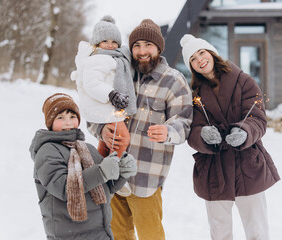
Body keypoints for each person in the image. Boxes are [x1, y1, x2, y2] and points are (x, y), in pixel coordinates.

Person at [87, 19, 193, 239]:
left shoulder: (174, 81)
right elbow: (94, 106)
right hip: (113, 170)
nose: (142, 51)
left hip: (146, 176)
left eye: (148, 45)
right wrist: (100, 129)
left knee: (150, 234)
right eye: (136, 45)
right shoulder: (119, 71)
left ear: (158, 48)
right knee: (118, 233)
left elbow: (184, 122)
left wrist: (168, 132)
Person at [180, 34, 280, 240]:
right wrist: (203, 135)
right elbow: (192, 130)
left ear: (212, 53)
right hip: (214, 168)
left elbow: (257, 118)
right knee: (219, 232)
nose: (199, 60)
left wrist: (244, 131)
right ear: (191, 67)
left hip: (246, 163)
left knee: (257, 230)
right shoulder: (194, 95)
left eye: (201, 53)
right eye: (192, 59)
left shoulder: (244, 81)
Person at [29, 93, 137, 240]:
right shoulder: (47, 151)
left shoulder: (87, 148)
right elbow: (64, 188)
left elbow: (106, 187)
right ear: (50, 122)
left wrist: (122, 173)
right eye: (60, 118)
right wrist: (101, 172)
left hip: (100, 232)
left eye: (72, 117)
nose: (68, 122)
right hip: (68, 235)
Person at [71, 15, 136, 159]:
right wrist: (112, 94)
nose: (110, 45)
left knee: (107, 142)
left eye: (114, 41)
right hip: (105, 108)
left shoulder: (114, 58)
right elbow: (92, 83)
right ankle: (113, 171)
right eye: (105, 41)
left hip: (108, 109)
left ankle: (100, 166)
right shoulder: (97, 59)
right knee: (122, 139)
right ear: (97, 43)